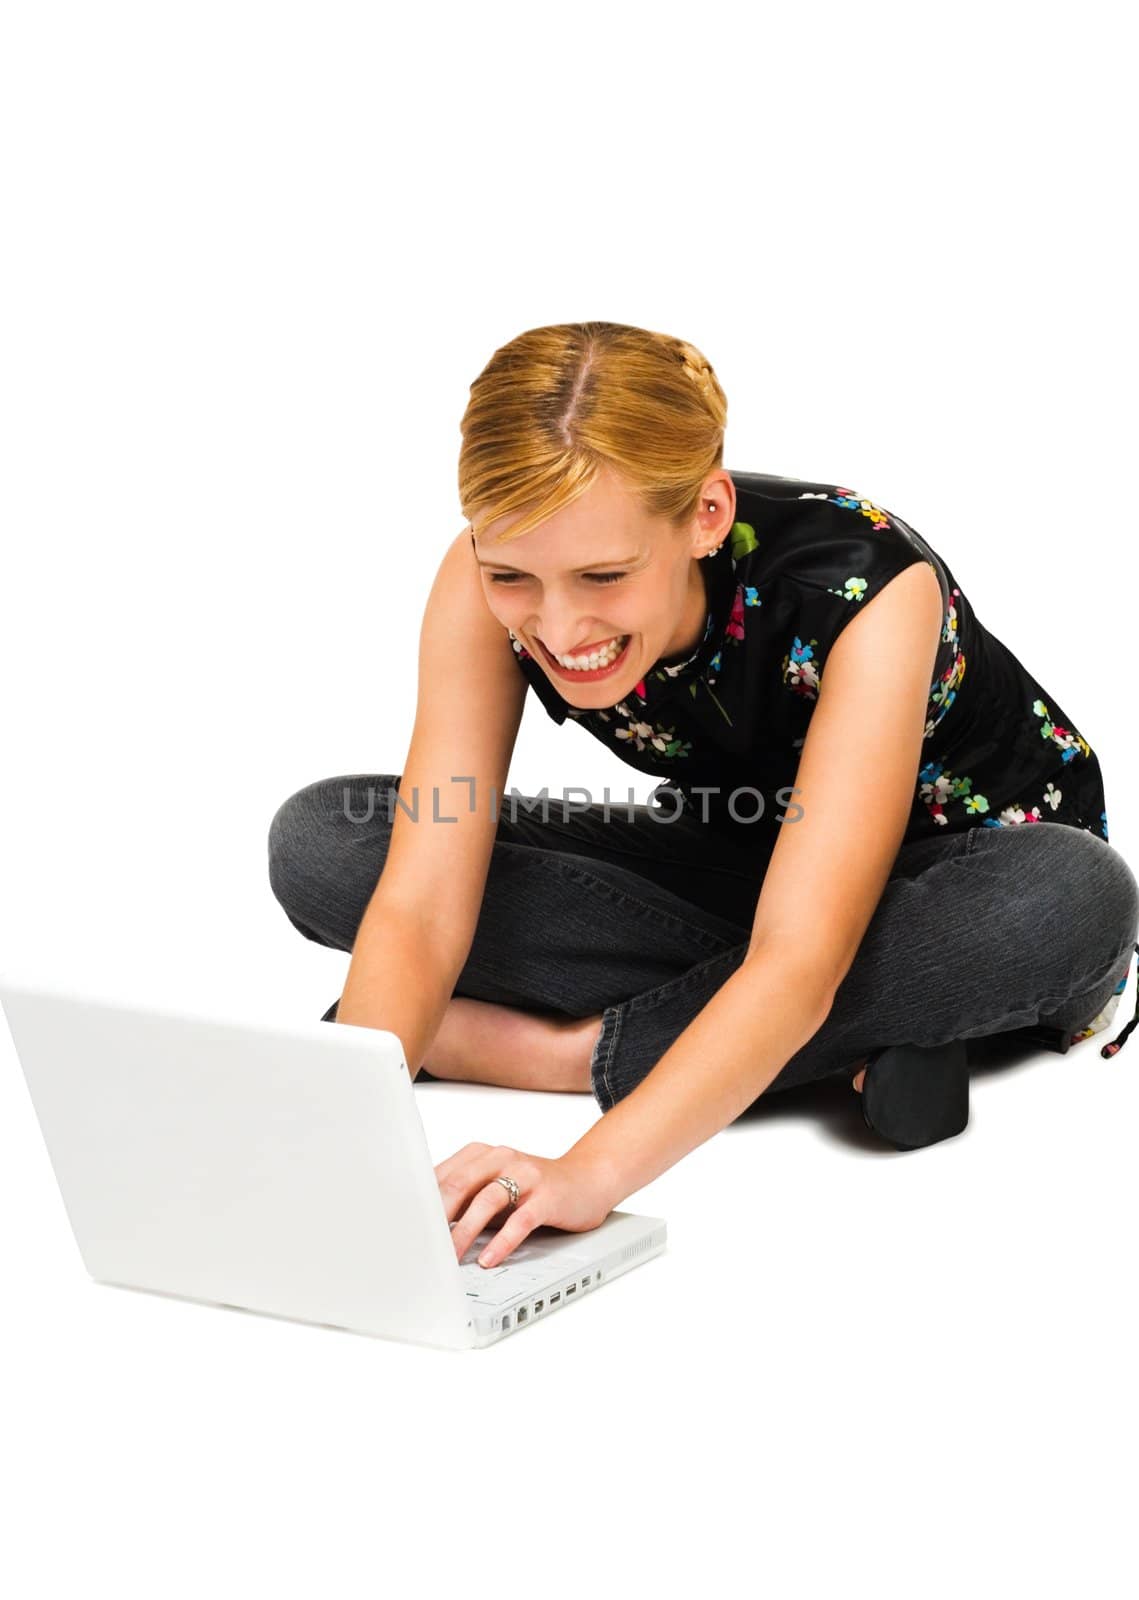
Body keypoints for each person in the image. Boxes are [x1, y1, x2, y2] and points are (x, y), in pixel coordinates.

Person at [267, 320, 1139, 1272]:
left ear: (706, 516)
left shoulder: (867, 586)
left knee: (1070, 897)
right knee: (328, 840)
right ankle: (814, 1045)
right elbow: (425, 892)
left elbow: (803, 955)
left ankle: (579, 1049)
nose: (558, 626)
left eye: (603, 576)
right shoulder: (480, 579)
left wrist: (582, 1174)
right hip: (743, 867)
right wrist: (336, 1137)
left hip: (952, 886)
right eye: (512, 575)